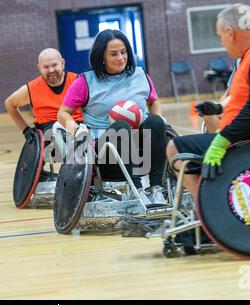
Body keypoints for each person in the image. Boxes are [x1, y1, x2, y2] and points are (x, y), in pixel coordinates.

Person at [166, 3, 250, 199]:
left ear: (230, 33)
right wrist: (218, 107)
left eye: (220, 35)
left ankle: (208, 216)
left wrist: (221, 142)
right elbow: (248, 100)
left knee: (175, 148)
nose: (222, 42)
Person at [57, 29, 168, 205]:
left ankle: (156, 189)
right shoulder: (85, 81)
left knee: (155, 122)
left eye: (123, 52)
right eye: (114, 54)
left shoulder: (140, 75)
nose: (121, 58)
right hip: (105, 152)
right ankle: (136, 190)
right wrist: (73, 126)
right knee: (121, 127)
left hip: (142, 149)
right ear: (102, 56)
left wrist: (159, 118)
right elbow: (62, 112)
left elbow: (154, 101)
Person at [4, 48, 83, 180]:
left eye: (54, 65)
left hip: (75, 126)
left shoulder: (77, 81)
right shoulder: (32, 88)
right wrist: (25, 130)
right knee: (50, 136)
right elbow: (9, 104)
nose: (51, 70)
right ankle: (44, 177)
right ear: (39, 68)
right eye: (46, 67)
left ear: (62, 63)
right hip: (48, 133)